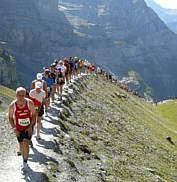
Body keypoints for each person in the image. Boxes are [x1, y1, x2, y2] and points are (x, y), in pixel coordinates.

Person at [9, 87, 36, 173]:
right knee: (21, 145)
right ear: (16, 95)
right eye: (19, 95)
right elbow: (10, 118)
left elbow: (34, 115)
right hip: (18, 128)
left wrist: (30, 126)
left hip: (28, 127)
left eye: (23, 95)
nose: (21, 97)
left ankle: (24, 163)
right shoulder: (12, 105)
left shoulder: (30, 103)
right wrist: (14, 129)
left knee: (25, 142)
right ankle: (23, 156)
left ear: (25, 95)